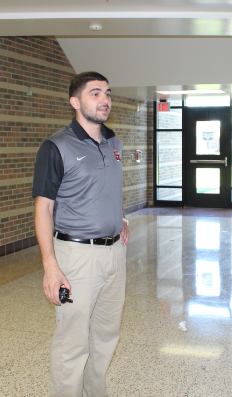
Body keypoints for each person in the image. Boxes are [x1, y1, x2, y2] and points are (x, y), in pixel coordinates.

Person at [32, 71, 130, 397]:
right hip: (76, 257)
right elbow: (44, 208)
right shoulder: (56, 147)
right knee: (73, 342)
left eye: (108, 93)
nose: (105, 100)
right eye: (95, 93)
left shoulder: (114, 142)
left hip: (115, 254)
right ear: (75, 102)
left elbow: (110, 187)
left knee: (105, 337)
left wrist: (122, 219)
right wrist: (50, 266)